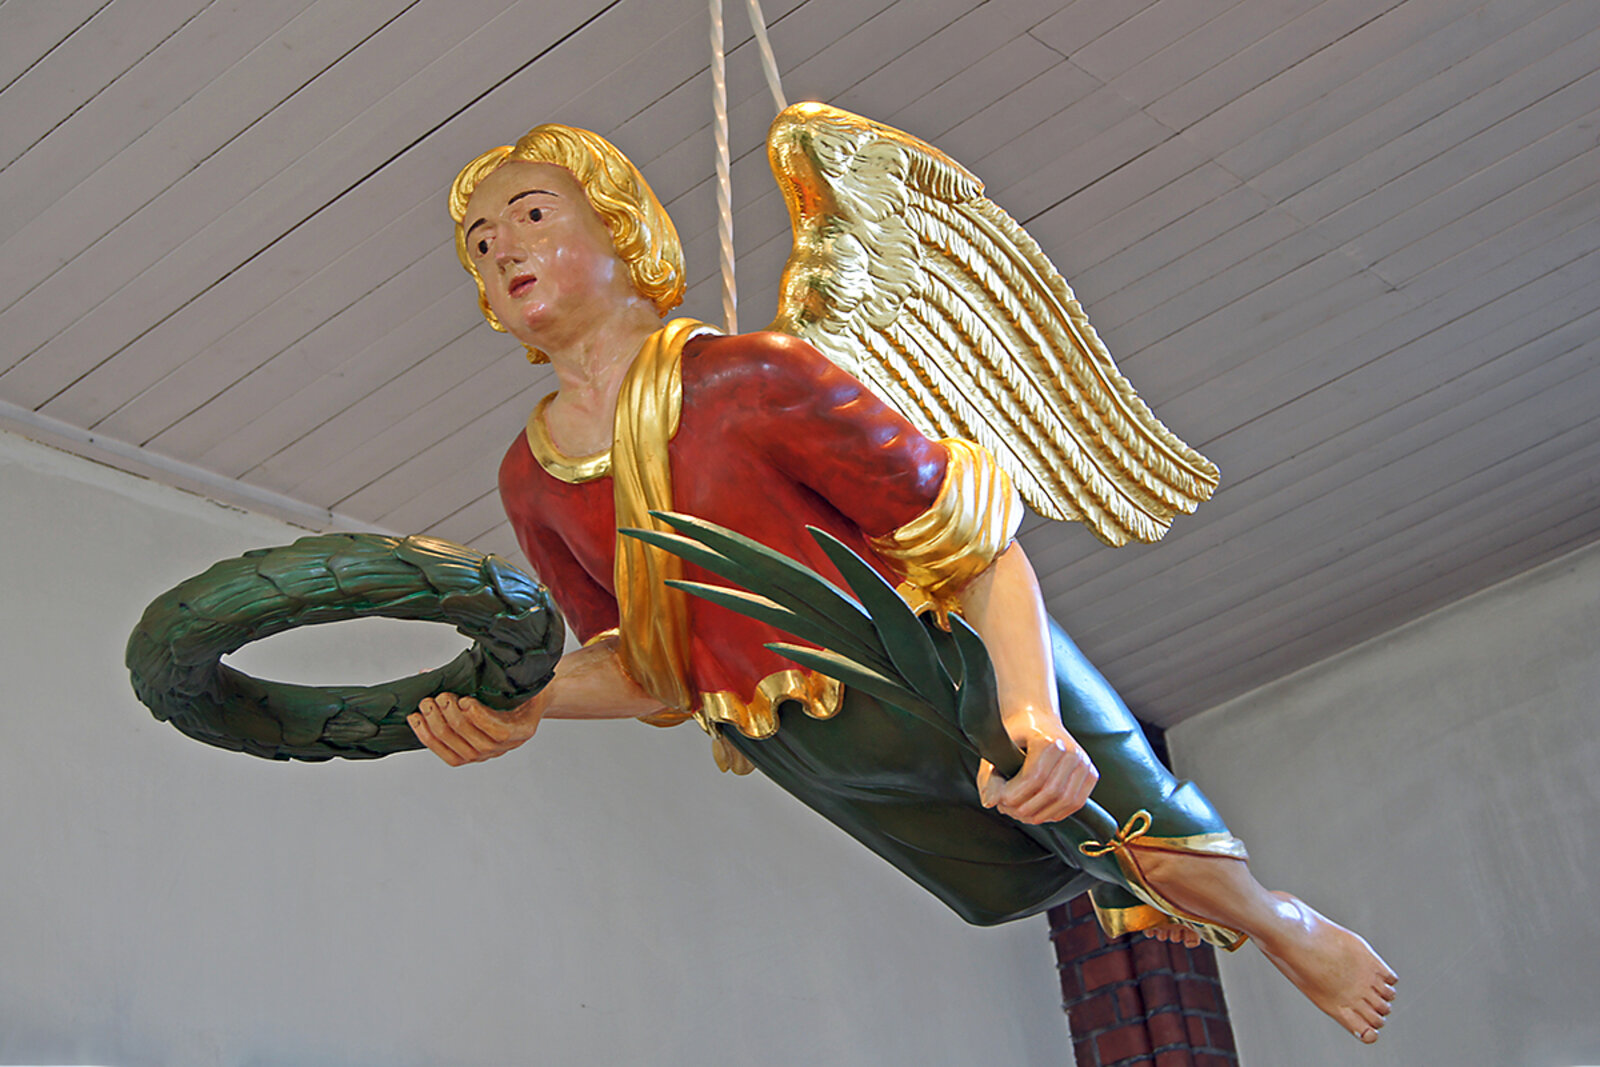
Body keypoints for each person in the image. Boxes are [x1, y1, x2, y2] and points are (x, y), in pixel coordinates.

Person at [406, 123, 1397, 1042]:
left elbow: (975, 545)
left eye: (532, 214)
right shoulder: (532, 476)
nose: (504, 249)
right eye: (481, 246)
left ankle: (1285, 922)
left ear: (624, 228)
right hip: (812, 741)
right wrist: (526, 700)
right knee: (1006, 885)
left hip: (947, 661)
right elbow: (647, 666)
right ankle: (1148, 887)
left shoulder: (751, 380)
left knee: (1141, 833)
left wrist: (1030, 708)